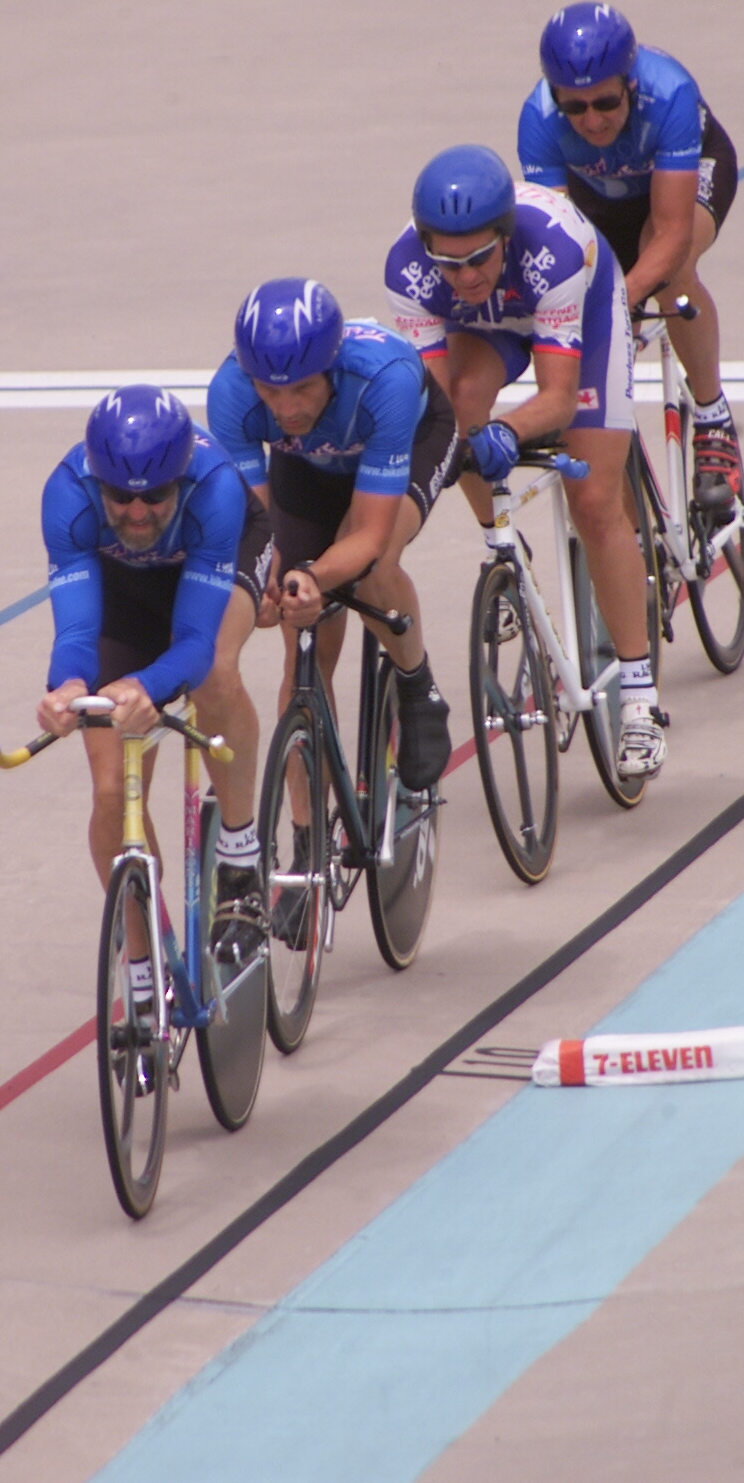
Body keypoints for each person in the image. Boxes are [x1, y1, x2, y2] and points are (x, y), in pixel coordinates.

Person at [385, 144, 667, 779]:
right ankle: (503, 543)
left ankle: (640, 697)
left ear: (505, 237)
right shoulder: (407, 271)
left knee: (593, 501)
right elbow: (434, 410)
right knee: (457, 411)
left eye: (478, 258)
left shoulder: (553, 251)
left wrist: (507, 431)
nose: (464, 276)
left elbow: (558, 398)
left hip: (580, 313)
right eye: (448, 263)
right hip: (487, 328)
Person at [35, 384, 273, 976]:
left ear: (180, 477)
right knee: (112, 794)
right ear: (98, 481)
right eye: (120, 497)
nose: (137, 512)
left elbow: (193, 642)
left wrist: (146, 686)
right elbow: (77, 632)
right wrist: (67, 687)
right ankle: (146, 970)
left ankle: (240, 855)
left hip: (214, 559)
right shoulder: (67, 493)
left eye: (156, 495)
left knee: (214, 673)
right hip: (125, 584)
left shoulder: (214, 488)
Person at [208, 276, 457, 820]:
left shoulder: (383, 380)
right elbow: (253, 528)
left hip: (408, 441)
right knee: (305, 645)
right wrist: (266, 584)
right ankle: (307, 839)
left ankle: (416, 684)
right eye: (270, 391)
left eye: (301, 389)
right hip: (310, 464)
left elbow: (368, 534)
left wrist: (315, 577)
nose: (285, 407)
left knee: (370, 570)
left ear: (331, 367)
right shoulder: (230, 392)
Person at [517, 1, 741, 519]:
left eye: (605, 102)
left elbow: (671, 232)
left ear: (631, 84)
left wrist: (619, 303)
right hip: (599, 197)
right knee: (581, 303)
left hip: (682, 182)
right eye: (575, 108)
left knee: (668, 267)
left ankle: (712, 417)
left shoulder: (670, 93)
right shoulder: (538, 119)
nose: (592, 120)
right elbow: (557, 240)